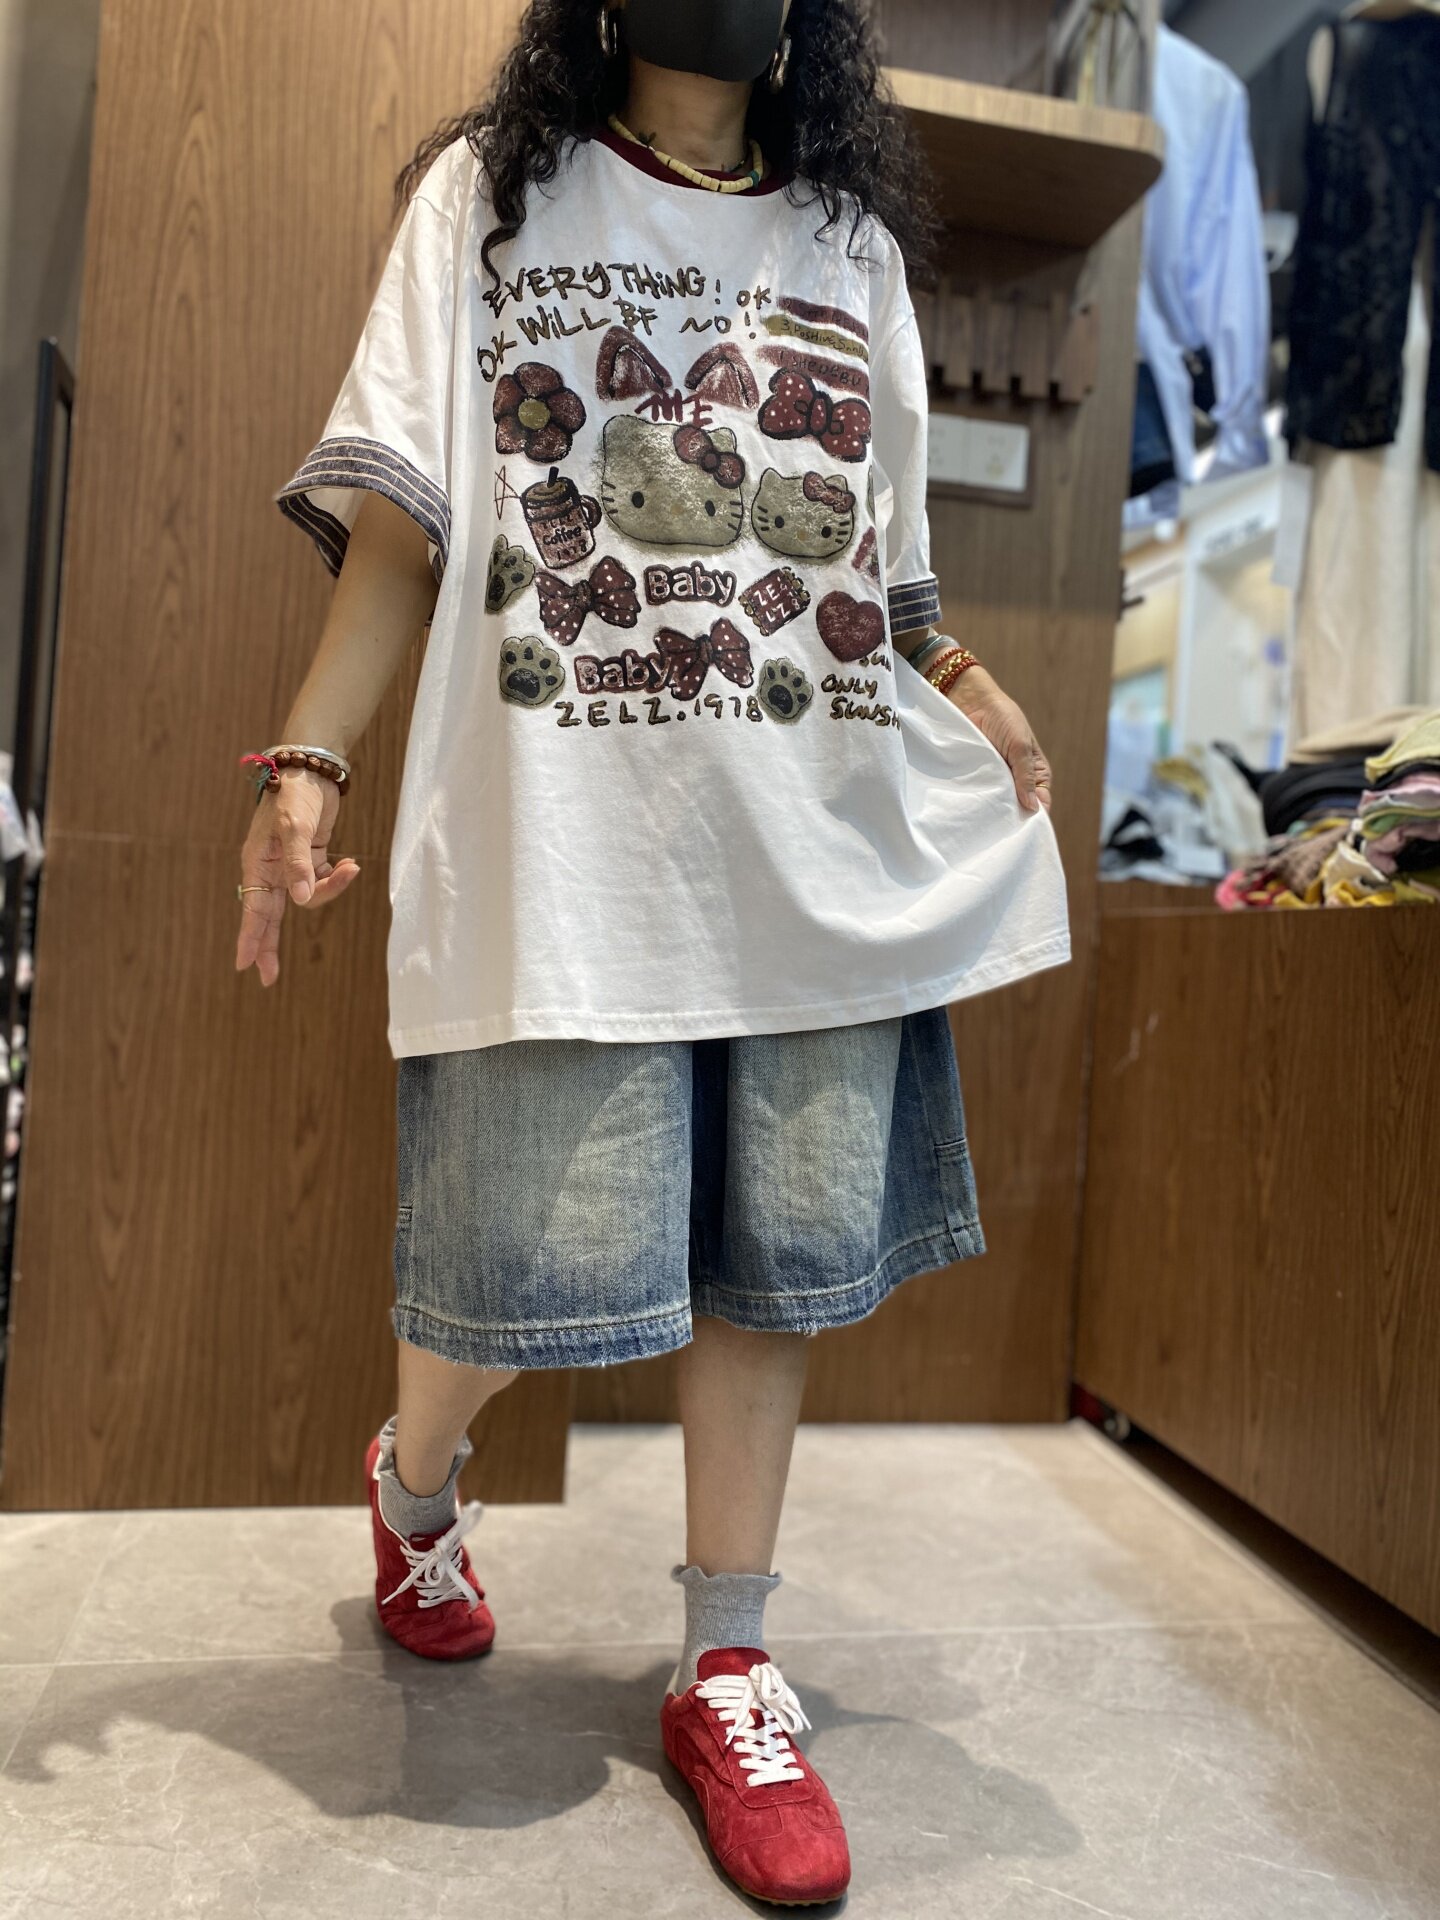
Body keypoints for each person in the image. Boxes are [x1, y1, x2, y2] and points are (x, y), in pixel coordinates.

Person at [236, 0, 1067, 1903]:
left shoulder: (852, 247)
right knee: (511, 1268)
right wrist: (312, 757)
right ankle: (415, 1488)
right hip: (566, 841)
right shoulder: (493, 197)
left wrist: (968, 683)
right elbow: (403, 530)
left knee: (774, 1257)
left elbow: (883, 570)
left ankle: (729, 1660)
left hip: (806, 832)